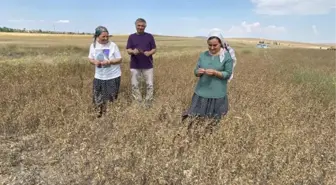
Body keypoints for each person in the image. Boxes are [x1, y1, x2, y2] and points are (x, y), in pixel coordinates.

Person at [182, 30, 233, 122]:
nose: (212, 48)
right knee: (196, 119)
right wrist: (198, 72)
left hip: (217, 93)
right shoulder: (203, 55)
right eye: (210, 45)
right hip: (201, 92)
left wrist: (215, 73)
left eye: (215, 45)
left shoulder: (226, 57)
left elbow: (228, 74)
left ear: (220, 44)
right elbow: (195, 71)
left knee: (213, 121)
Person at [88, 26, 123, 117]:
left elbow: (119, 59)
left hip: (113, 76)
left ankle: (110, 116)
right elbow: (90, 59)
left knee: (111, 98)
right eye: (103, 36)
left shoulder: (113, 45)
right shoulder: (93, 45)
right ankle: (99, 115)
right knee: (97, 98)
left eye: (107, 36)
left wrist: (109, 61)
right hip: (99, 76)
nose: (106, 38)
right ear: (97, 36)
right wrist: (94, 62)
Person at [126, 18, 157, 106]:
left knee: (149, 85)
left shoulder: (149, 36)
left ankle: (148, 102)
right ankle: (137, 102)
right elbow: (128, 50)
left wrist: (150, 52)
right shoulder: (131, 37)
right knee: (135, 85)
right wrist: (133, 51)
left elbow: (154, 49)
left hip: (148, 65)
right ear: (135, 26)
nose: (140, 27)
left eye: (142, 26)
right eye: (139, 25)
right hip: (135, 65)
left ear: (145, 26)